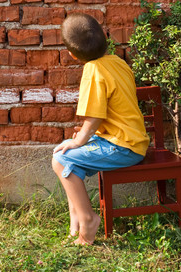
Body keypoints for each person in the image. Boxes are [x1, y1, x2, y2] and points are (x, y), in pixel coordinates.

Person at [52, 13, 149, 246]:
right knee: (66, 158)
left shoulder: (93, 70)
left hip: (124, 147)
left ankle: (88, 219)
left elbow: (95, 115)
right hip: (130, 140)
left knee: (62, 160)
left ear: (72, 55)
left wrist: (80, 140)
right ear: (106, 37)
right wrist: (87, 137)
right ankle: (76, 221)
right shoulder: (117, 61)